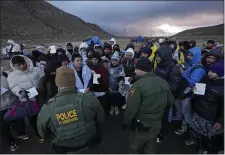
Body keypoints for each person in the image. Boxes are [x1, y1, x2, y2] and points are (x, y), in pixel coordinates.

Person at [37, 66, 105, 154]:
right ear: (74, 81)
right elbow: (101, 118)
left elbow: (42, 131)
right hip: (88, 143)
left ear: (57, 84)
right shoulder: (89, 98)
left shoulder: (48, 107)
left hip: (64, 148)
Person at [123, 58, 174, 154]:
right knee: (150, 147)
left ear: (141, 70)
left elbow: (131, 108)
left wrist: (127, 122)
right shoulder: (163, 82)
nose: (135, 71)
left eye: (136, 69)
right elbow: (170, 101)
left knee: (134, 147)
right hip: (157, 123)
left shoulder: (138, 85)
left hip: (141, 124)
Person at [185, 61, 224, 153]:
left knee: (206, 136)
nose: (209, 73)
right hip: (197, 110)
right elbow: (199, 91)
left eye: (213, 72)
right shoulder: (206, 78)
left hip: (209, 117)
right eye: (210, 70)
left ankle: (205, 149)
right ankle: (196, 141)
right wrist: (195, 90)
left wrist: (220, 120)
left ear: (220, 74)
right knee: (195, 130)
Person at [7, 55, 44, 142]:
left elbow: (43, 79)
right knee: (33, 117)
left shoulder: (36, 70)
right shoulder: (12, 76)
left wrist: (42, 87)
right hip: (28, 99)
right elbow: (13, 86)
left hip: (40, 95)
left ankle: (47, 129)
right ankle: (38, 134)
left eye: (21, 64)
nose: (21, 67)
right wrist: (20, 92)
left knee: (44, 114)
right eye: (17, 66)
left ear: (25, 61)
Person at [174, 46, 207, 135]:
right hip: (184, 92)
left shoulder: (199, 69)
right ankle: (181, 121)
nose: (188, 57)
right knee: (182, 109)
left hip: (188, 94)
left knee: (186, 112)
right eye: (188, 55)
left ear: (196, 56)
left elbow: (192, 82)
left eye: (191, 55)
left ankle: (185, 127)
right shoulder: (192, 65)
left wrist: (182, 73)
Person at [154, 46, 181, 142]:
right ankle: (156, 131)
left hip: (165, 98)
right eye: (156, 56)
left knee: (163, 117)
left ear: (165, 56)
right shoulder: (159, 65)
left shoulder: (173, 69)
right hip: (156, 96)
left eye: (159, 56)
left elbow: (173, 87)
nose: (157, 58)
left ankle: (162, 134)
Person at [1, 68, 20, 152]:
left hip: (13, 104)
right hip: (1, 109)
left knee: (17, 121)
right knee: (3, 128)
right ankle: (11, 142)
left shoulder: (6, 74)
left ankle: (20, 133)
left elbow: (15, 86)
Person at [89, 52, 109, 116]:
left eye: (96, 59)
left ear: (98, 60)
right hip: (93, 90)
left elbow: (104, 80)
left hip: (100, 90)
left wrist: (95, 75)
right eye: (93, 59)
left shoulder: (101, 67)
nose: (94, 61)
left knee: (102, 106)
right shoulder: (90, 67)